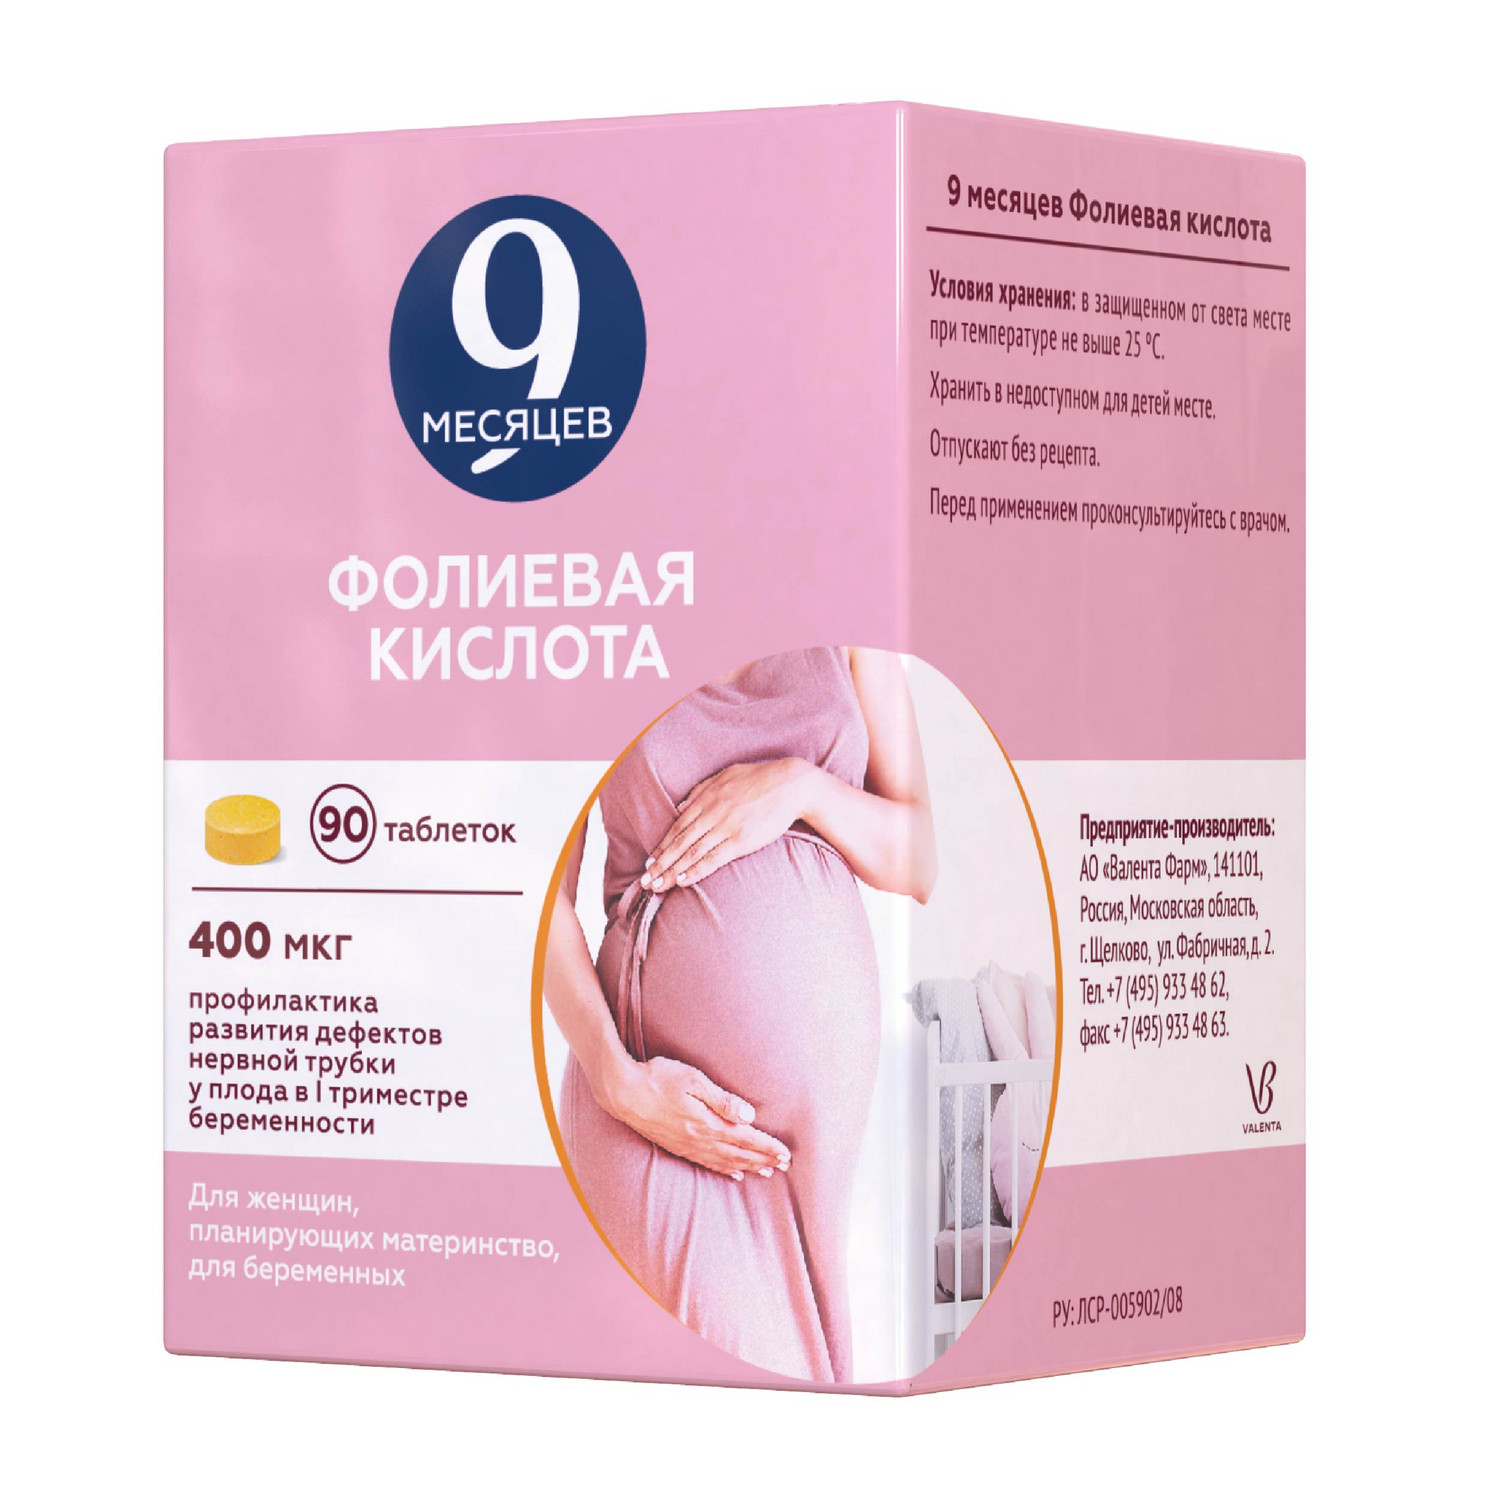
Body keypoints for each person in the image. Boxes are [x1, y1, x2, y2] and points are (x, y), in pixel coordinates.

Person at [544, 646, 936, 1382]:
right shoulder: (607, 635)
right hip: (656, 1111)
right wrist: (616, 1082)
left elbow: (918, 862)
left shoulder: (853, 629)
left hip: (809, 1154)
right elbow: (539, 895)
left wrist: (799, 787)